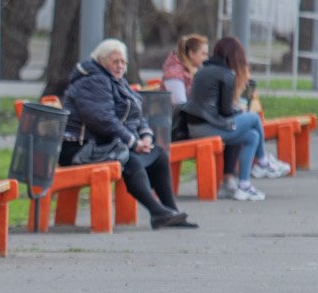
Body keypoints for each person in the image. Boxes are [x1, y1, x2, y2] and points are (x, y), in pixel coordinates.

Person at [59, 39, 198, 229]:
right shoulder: (92, 81)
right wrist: (133, 142)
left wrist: (145, 136)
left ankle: (170, 212)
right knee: (129, 161)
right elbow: (102, 120)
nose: (120, 66)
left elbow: (137, 113)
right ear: (101, 61)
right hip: (80, 148)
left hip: (104, 145)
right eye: (115, 61)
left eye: (123, 62)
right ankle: (157, 212)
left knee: (158, 155)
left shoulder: (116, 80)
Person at [180, 36, 284, 202]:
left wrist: (236, 111)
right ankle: (263, 162)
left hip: (196, 126)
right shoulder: (226, 74)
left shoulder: (204, 70)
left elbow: (217, 107)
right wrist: (239, 110)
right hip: (207, 128)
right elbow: (226, 111)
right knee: (254, 118)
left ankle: (244, 186)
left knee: (252, 136)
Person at [161, 33, 209, 106]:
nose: (207, 58)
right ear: (191, 53)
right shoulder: (174, 73)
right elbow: (179, 103)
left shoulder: (196, 71)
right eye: (204, 54)